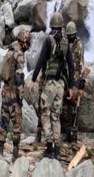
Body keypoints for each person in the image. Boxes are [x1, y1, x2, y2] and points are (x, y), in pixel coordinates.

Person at [29, 12, 75, 160]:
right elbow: (71, 66)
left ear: (52, 24)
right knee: (56, 116)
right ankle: (57, 150)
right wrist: (71, 86)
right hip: (61, 85)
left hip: (49, 83)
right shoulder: (66, 41)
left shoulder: (49, 40)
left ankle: (49, 148)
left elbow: (41, 61)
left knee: (45, 114)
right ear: (61, 25)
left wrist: (33, 79)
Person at [0, 30, 31, 163]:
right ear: (23, 42)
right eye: (27, 42)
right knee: (17, 124)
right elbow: (19, 78)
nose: (28, 44)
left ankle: (0, 149)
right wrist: (21, 96)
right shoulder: (19, 54)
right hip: (13, 94)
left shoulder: (10, 51)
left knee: (4, 121)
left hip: (5, 92)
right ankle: (15, 154)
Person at [60, 21, 84, 143]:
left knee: (74, 109)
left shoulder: (78, 45)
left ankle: (73, 136)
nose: (70, 37)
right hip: (65, 79)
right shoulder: (64, 43)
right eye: (68, 35)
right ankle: (66, 133)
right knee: (64, 108)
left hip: (74, 80)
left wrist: (81, 84)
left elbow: (81, 65)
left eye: (72, 35)